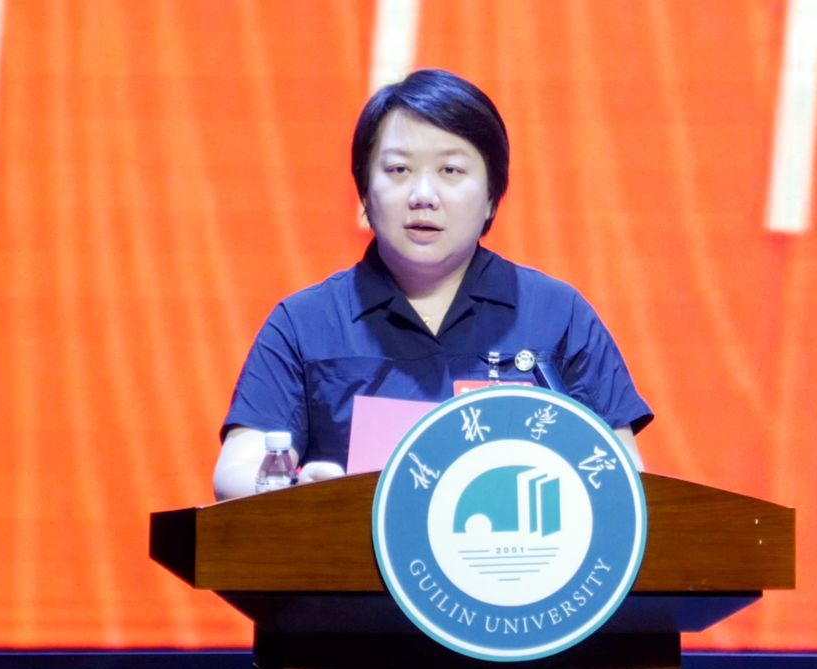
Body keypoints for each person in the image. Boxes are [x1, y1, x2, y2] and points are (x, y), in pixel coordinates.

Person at [213, 69, 652, 500]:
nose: (423, 195)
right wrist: (303, 493)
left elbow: (624, 474)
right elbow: (237, 468)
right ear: (364, 193)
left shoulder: (557, 314)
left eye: (450, 170)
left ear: (492, 196)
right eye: (399, 169)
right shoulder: (304, 323)